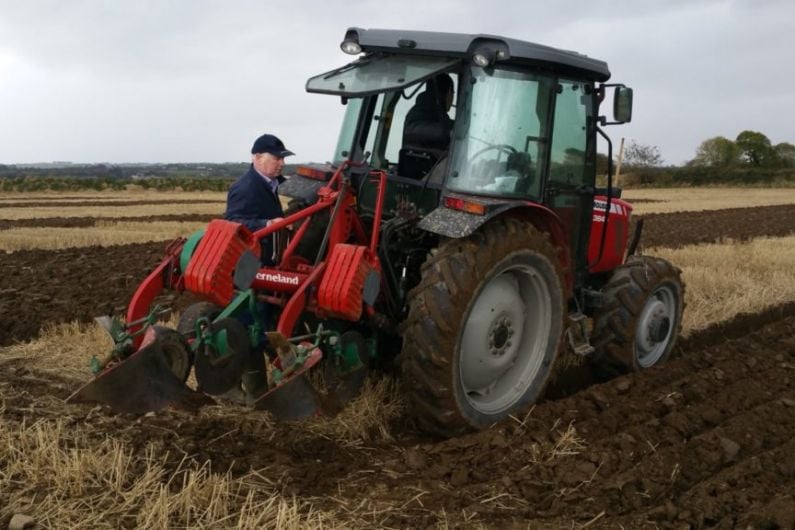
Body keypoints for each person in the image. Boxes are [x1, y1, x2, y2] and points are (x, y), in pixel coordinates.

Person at [225, 133, 294, 265]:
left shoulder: (275, 181)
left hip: (273, 253)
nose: (282, 163)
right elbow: (232, 223)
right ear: (258, 157)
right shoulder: (245, 188)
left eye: (283, 158)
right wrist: (267, 224)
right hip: (255, 260)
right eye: (277, 158)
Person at [402, 73, 455, 151]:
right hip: (419, 162)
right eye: (453, 93)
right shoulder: (419, 111)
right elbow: (412, 130)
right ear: (449, 92)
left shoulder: (438, 115)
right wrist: (449, 132)